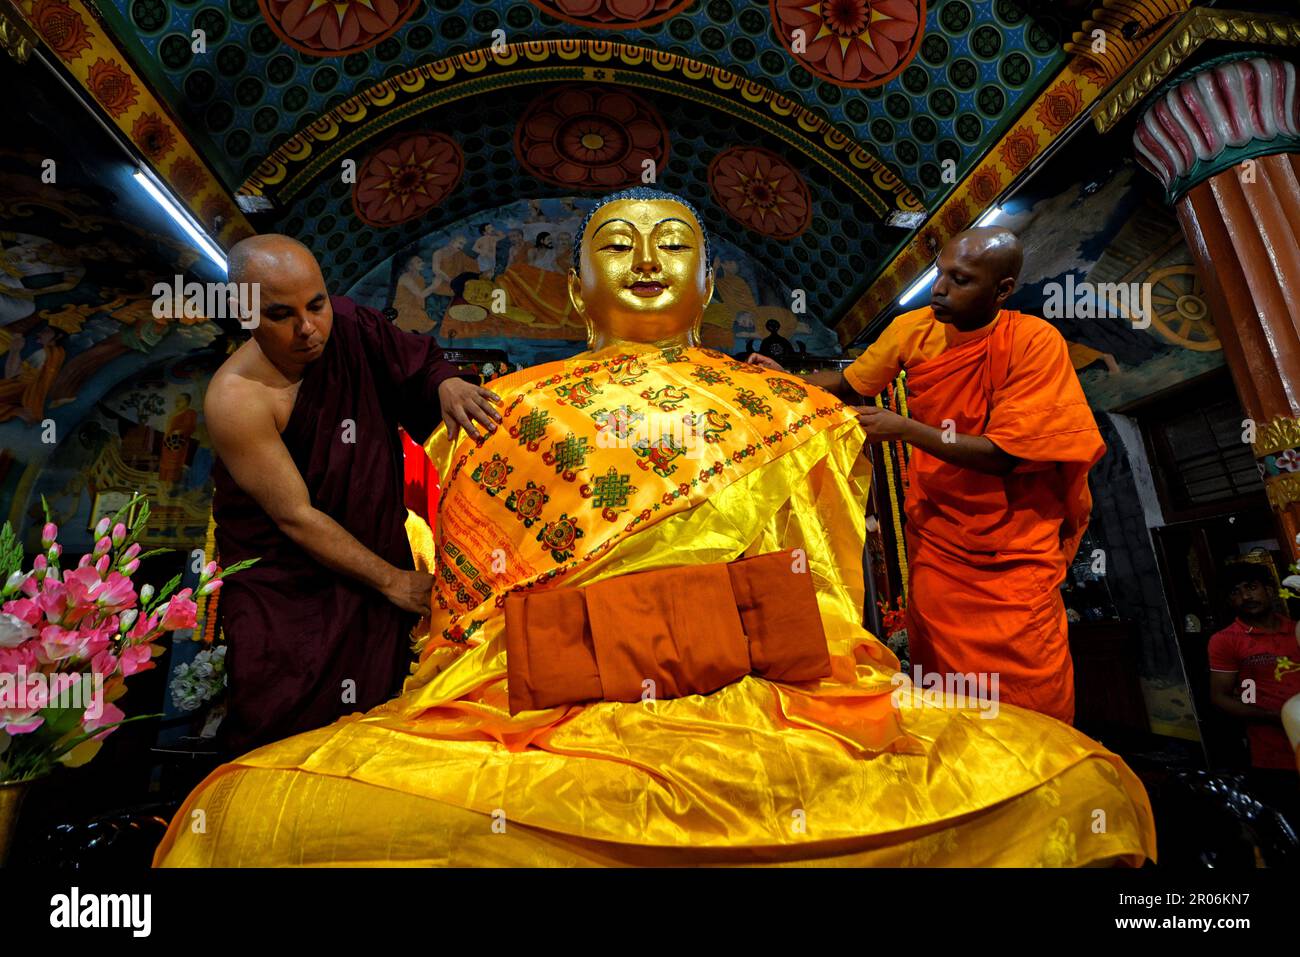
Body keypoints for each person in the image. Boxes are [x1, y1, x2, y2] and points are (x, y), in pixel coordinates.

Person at [155, 192, 1153, 867]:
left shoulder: (779, 406)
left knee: (1064, 783)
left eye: (671, 245)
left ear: (708, 283)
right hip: (542, 706)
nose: (644, 262)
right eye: (615, 247)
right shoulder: (508, 411)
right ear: (579, 286)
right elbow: (478, 626)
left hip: (777, 697)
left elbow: (827, 613)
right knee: (255, 816)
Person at [750, 227, 1104, 724]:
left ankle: (1039, 772)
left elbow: (1008, 453)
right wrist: (775, 381)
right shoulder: (914, 328)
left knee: (1028, 678)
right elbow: (849, 384)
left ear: (1001, 290)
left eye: (959, 280)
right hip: (941, 534)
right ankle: (962, 767)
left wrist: (906, 430)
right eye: (939, 272)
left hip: (1014, 544)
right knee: (946, 673)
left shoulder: (1032, 342)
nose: (939, 288)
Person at [203, 234, 502, 753]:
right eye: (281, 315)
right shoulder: (236, 398)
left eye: (316, 304)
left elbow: (418, 366)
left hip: (375, 571)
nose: (308, 329)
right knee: (282, 732)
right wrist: (393, 582)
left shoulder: (353, 328)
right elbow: (295, 516)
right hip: (289, 595)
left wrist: (445, 384)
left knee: (373, 731)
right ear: (243, 313)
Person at [1208, 563, 1300, 771]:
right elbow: (1220, 697)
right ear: (1230, 600)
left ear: (1268, 590)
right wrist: (1273, 716)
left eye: (1251, 587)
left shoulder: (1296, 629)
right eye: (1236, 592)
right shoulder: (1226, 640)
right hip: (1273, 754)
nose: (1246, 597)